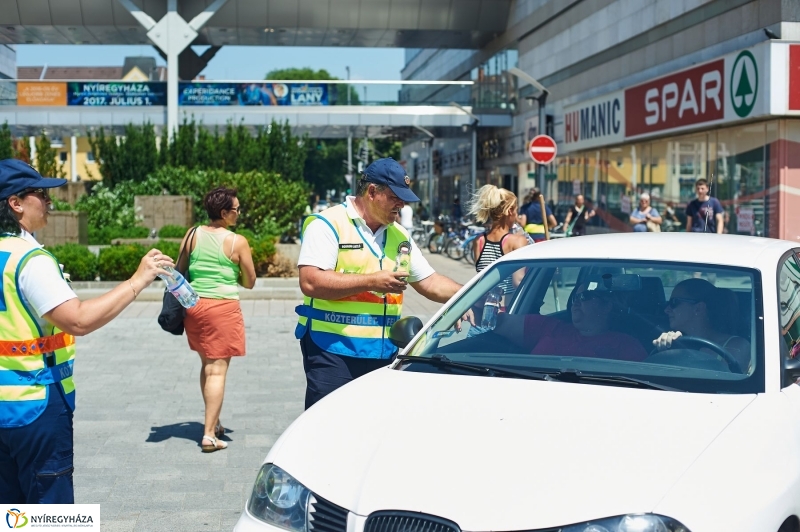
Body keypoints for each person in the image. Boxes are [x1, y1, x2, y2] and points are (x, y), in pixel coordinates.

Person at [0, 159, 173, 503]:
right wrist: (138, 280)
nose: (50, 201)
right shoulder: (29, 260)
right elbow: (77, 320)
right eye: (41, 194)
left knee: (10, 510)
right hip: (36, 407)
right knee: (50, 516)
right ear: (15, 203)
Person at [296, 157, 465, 408]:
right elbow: (311, 282)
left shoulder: (399, 234)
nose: (402, 205)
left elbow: (429, 282)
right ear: (372, 192)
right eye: (395, 197)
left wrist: (470, 295)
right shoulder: (328, 225)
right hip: (332, 350)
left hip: (383, 353)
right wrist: (372, 280)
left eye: (404, 198)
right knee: (330, 431)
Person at [179, 187, 256, 453]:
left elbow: (180, 271)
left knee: (207, 365)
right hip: (222, 309)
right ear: (224, 213)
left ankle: (214, 421)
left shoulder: (192, 235)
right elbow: (250, 281)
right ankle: (209, 434)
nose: (238, 213)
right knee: (217, 371)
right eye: (236, 210)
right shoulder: (237, 242)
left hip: (195, 308)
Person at [494, 281, 647, 361]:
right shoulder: (549, 327)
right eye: (575, 297)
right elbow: (497, 322)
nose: (576, 302)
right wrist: (480, 306)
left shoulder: (626, 345)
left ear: (607, 306)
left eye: (585, 297)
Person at [466, 185, 529, 337]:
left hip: (481, 315)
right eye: (516, 210)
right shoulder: (517, 241)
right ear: (509, 211)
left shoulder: (479, 241)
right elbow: (518, 282)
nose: (517, 216)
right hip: (505, 317)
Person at [653, 278, 751, 373]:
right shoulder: (675, 341)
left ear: (698, 308)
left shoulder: (737, 346)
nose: (666, 310)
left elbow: (722, 386)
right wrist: (666, 349)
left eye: (674, 302)